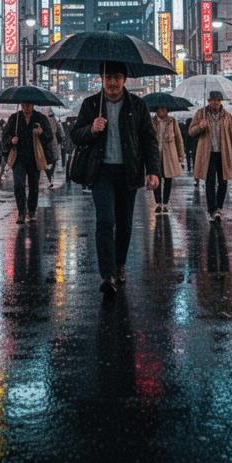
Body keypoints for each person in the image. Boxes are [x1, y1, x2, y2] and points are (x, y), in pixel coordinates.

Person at [70, 62, 160, 296]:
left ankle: (119, 264)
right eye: (108, 77)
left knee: (125, 223)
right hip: (101, 172)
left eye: (117, 77)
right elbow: (75, 135)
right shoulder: (91, 105)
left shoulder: (137, 105)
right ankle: (107, 274)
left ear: (124, 79)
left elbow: (149, 139)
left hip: (128, 171)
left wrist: (153, 170)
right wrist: (91, 129)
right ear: (101, 78)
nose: (112, 83)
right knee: (105, 220)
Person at [189, 91, 232, 222]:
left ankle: (219, 208)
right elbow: (191, 131)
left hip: (224, 153)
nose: (215, 103)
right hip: (208, 154)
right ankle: (212, 210)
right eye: (212, 100)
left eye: (217, 100)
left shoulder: (227, 116)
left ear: (221, 101)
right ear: (208, 101)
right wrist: (200, 126)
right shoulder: (201, 114)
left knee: (223, 182)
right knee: (210, 182)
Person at [3, 102, 53, 223]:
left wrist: (41, 133)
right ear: (21, 105)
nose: (26, 107)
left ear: (33, 105)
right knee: (18, 185)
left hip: (34, 157)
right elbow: (5, 136)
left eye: (29, 105)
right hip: (18, 157)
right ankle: (21, 212)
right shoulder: (14, 118)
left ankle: (31, 210)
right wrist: (11, 140)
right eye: (24, 105)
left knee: (34, 186)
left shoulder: (40, 118)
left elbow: (49, 136)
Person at [152, 103, 185, 213]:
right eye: (159, 108)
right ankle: (158, 202)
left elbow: (179, 139)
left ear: (167, 110)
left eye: (163, 108)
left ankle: (165, 203)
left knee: (168, 179)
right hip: (155, 154)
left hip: (169, 154)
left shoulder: (172, 121)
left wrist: (181, 155)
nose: (161, 110)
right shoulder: (151, 121)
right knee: (156, 179)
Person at [45, 111, 65, 189]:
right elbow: (62, 133)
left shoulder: (44, 121)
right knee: (54, 160)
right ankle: (51, 173)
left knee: (45, 161)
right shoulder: (56, 122)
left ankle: (49, 174)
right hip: (54, 142)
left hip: (46, 142)